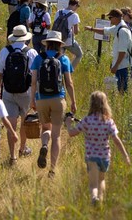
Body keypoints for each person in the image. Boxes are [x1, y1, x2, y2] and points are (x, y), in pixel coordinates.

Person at [65, 91, 130, 205]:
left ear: (91, 104)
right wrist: (125, 155)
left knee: (93, 184)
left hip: (91, 157)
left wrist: (69, 123)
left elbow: (71, 133)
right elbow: (116, 140)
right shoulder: (108, 121)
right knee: (102, 179)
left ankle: (94, 197)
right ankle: (100, 200)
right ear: (105, 104)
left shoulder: (87, 120)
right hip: (104, 157)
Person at [30, 30, 77, 178]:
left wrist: (32, 100)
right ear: (59, 45)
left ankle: (44, 145)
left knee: (45, 128)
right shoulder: (64, 59)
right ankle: (52, 169)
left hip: (41, 98)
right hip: (58, 99)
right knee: (56, 136)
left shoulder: (38, 58)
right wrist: (73, 101)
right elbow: (69, 83)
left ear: (47, 43)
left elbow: (33, 82)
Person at [0, 25, 38, 166]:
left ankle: (12, 156)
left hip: (8, 92)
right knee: (24, 122)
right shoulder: (32, 53)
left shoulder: (5, 51)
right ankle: (22, 148)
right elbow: (36, 76)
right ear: (26, 38)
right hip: (26, 93)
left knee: (11, 125)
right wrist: (35, 95)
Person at [85, 8, 132, 93]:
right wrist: (91, 29)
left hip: (123, 66)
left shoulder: (122, 31)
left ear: (116, 18)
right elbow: (105, 31)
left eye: (110, 17)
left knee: (123, 91)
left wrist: (116, 66)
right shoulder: (118, 27)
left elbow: (122, 52)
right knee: (120, 90)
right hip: (121, 65)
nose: (109, 20)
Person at [53, 0, 83, 69]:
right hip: (68, 41)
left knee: (59, 57)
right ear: (75, 5)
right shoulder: (74, 15)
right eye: (77, 7)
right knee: (79, 55)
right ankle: (69, 71)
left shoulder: (58, 12)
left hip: (57, 40)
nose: (77, 9)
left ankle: (58, 72)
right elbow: (76, 32)